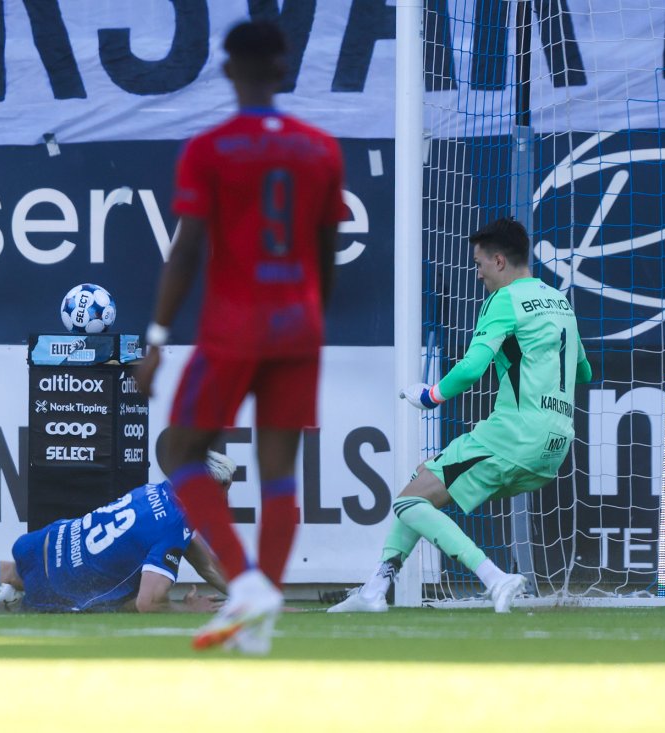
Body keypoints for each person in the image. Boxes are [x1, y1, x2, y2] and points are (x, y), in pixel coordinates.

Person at [134, 19, 344, 654]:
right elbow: (327, 251)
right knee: (280, 474)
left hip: (233, 325)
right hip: (298, 327)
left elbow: (187, 250)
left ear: (227, 70)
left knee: (184, 451)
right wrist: (313, 323)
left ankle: (247, 581)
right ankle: (260, 612)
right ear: (284, 68)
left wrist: (156, 336)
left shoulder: (210, 148)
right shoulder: (320, 149)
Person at [329, 217, 593, 613]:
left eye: (479, 264)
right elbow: (584, 372)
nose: (478, 273)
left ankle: (494, 578)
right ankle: (375, 587)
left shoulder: (505, 300)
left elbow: (472, 368)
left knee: (407, 502)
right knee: (423, 482)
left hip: (513, 436)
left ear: (500, 261)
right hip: (554, 447)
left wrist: (431, 395)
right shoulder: (560, 302)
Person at [0, 453, 236, 614]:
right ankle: (14, 600)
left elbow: (206, 564)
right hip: (64, 583)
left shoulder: (160, 491)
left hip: (49, 541)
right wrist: (188, 610)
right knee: (126, 602)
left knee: (12, 571)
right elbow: (146, 604)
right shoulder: (177, 521)